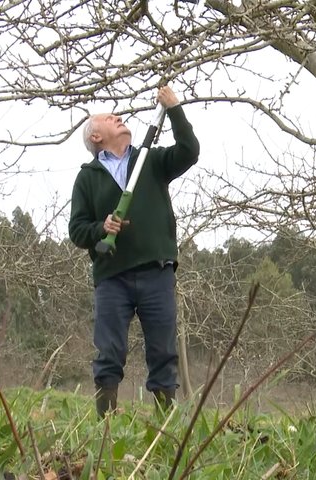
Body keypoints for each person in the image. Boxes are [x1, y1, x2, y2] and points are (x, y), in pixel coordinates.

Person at [69, 86, 199, 418]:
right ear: (96, 136)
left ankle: (165, 429)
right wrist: (103, 228)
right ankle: (105, 429)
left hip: (157, 272)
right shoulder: (87, 178)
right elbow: (77, 230)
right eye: (110, 118)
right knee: (108, 353)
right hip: (112, 278)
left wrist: (174, 110)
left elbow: (189, 151)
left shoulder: (149, 160)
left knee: (163, 352)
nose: (119, 117)